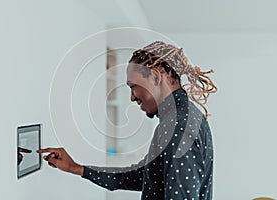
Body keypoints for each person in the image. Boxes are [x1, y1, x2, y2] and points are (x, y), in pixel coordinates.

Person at [37, 41, 217, 199]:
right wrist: (77, 168)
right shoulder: (182, 118)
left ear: (155, 76)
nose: (132, 97)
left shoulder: (178, 126)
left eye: (133, 86)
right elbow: (144, 176)